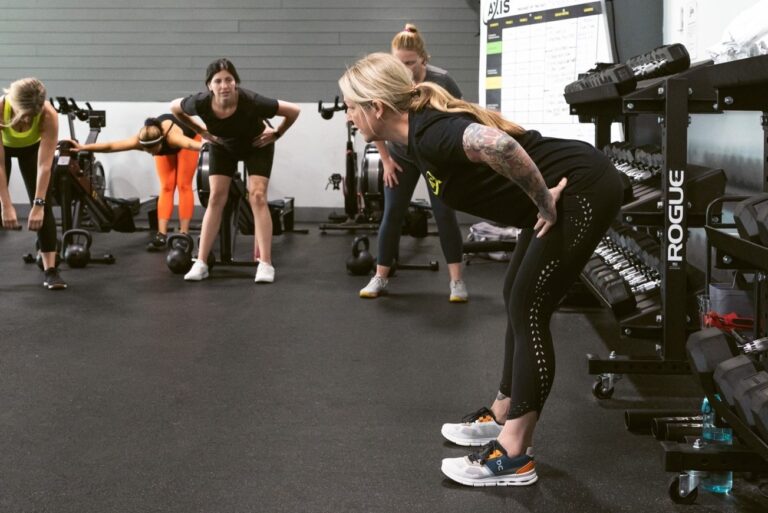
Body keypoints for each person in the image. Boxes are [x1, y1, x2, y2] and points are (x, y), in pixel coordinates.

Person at [338, 53, 623, 486]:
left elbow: (501, 145)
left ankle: (514, 453)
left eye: (351, 106)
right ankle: (504, 409)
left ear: (376, 107)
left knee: (529, 306)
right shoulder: (409, 136)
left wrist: (543, 199)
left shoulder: (430, 133)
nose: (348, 115)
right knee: (515, 294)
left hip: (579, 188)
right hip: (562, 190)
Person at [360, 24, 469, 302]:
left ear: (424, 59)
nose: (405, 69)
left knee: (444, 213)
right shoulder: (389, 81)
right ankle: (381, 276)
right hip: (402, 156)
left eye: (410, 63)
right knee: (392, 213)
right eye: (399, 63)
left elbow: (462, 117)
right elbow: (375, 120)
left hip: (436, 158)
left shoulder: (442, 80)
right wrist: (385, 160)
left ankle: (456, 281)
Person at [170, 58, 300, 283]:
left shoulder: (251, 101)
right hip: (223, 146)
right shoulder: (200, 103)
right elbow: (174, 107)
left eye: (229, 80)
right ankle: (201, 263)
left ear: (236, 83)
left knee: (257, 196)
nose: (224, 85)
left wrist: (277, 133)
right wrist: (199, 129)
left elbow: (293, 111)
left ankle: (266, 264)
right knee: (215, 198)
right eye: (218, 81)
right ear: (209, 85)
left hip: (257, 145)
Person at [73, 115, 203, 251]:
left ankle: (183, 234)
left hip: (189, 137)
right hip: (165, 142)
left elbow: (193, 145)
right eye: (149, 152)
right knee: (166, 187)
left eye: (154, 151)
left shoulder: (174, 138)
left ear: (160, 144)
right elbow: (111, 147)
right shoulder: (140, 140)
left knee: (183, 185)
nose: (152, 154)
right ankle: (161, 235)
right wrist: (82, 147)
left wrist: (218, 145)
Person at [0, 78, 65, 290]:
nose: (27, 121)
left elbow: (45, 167)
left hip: (32, 151)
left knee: (43, 207)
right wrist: (6, 205)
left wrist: (37, 205)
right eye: (24, 115)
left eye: (32, 116)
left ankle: (51, 270)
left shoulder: (48, 115)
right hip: (4, 152)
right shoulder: (1, 108)